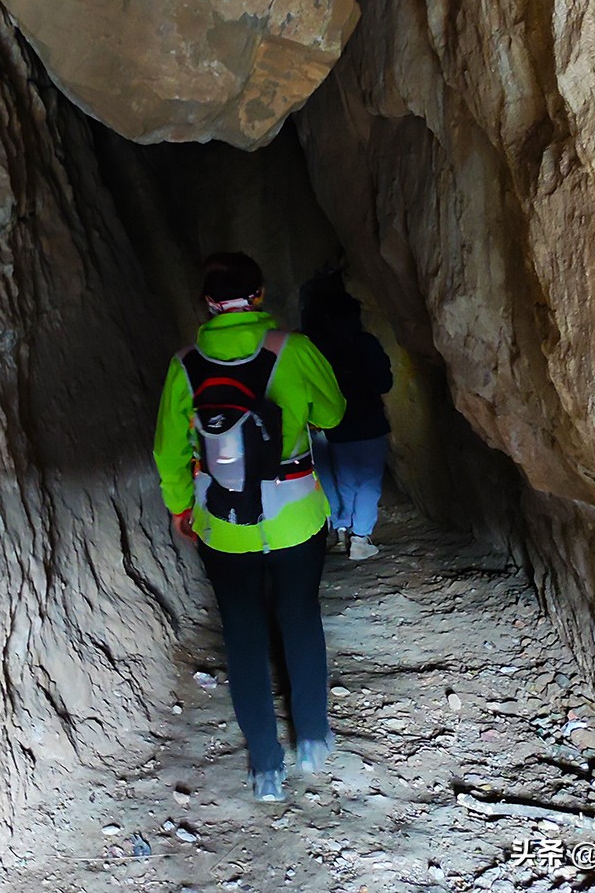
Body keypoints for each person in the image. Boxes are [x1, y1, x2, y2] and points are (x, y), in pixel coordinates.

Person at [153, 252, 346, 802]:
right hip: (294, 517)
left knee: (242, 632)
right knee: (299, 616)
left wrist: (180, 506)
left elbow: (168, 451)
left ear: (208, 304)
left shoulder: (184, 364)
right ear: (258, 295)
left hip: (223, 522)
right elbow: (331, 415)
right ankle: (312, 738)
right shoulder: (294, 349)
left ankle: (265, 768)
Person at [304, 289, 393, 560]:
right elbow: (384, 382)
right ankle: (360, 537)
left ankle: (341, 528)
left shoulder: (323, 349)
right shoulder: (366, 343)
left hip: (338, 426)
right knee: (368, 482)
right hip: (370, 423)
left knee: (344, 480)